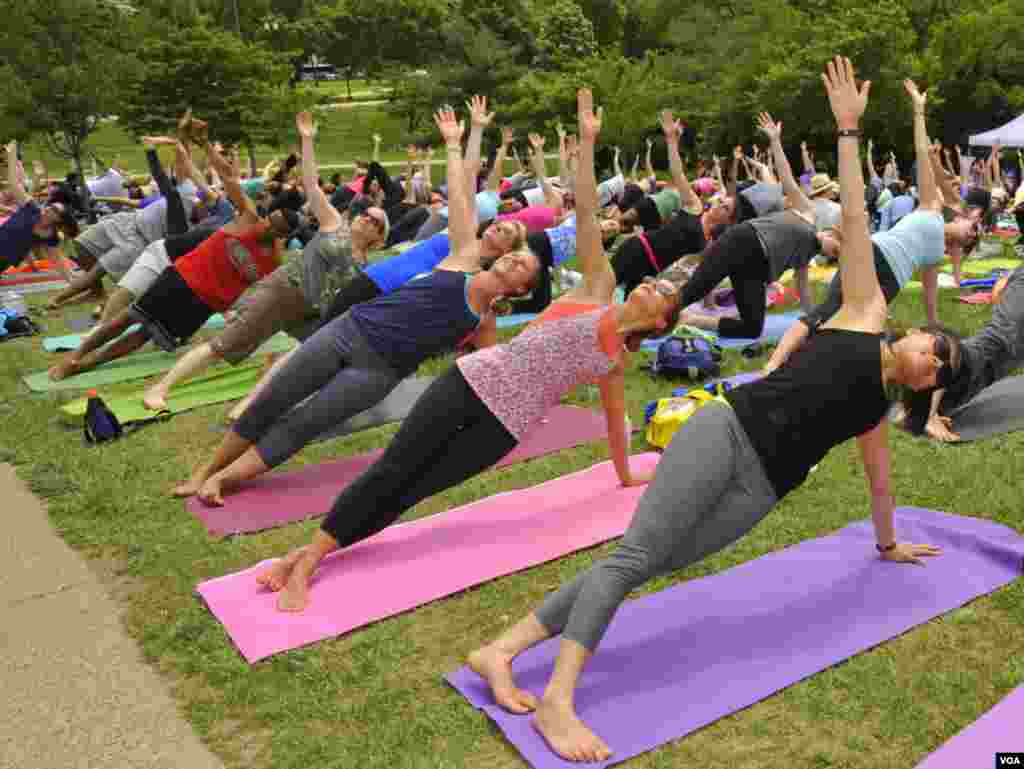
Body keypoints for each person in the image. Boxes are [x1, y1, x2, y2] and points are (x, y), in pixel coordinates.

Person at [465, 58, 952, 765]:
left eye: (939, 366)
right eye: (933, 344)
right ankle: (558, 703)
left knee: (644, 563)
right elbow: (850, 215)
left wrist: (887, 543)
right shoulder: (860, 311)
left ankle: (501, 648)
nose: (931, 357)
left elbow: (881, 486)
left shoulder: (874, 409)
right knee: (634, 557)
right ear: (907, 330)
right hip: (726, 431)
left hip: (760, 490)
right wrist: (848, 134)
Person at [244, 89, 681, 615]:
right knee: (392, 469)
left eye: (665, 295)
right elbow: (586, 210)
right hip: (471, 383)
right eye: (658, 282)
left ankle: (305, 555)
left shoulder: (616, 362)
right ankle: (308, 565)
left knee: (411, 491)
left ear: (660, 321)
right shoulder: (597, 289)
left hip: (505, 427)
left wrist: (627, 473)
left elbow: (618, 423)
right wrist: (587, 142)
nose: (655, 285)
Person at [171, 95, 542, 504]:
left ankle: (224, 479)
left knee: (305, 424)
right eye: (513, 253)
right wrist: (456, 143)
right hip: (351, 328)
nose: (511, 258)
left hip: (378, 372)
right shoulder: (464, 258)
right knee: (276, 397)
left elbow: (483, 377)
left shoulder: (484, 321)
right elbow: (460, 196)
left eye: (522, 262)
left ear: (522, 289)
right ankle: (205, 469)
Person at [140, 110, 389, 412]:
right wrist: (307, 141)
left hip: (311, 311)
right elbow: (310, 183)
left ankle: (249, 404)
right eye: (366, 215)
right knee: (225, 344)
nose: (368, 220)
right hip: (286, 290)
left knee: (295, 358)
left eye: (377, 222)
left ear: (380, 238)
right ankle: (160, 388)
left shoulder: (365, 265)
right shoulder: (334, 223)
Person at [764, 88, 979, 374]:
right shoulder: (931, 207)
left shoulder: (936, 256)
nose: (973, 234)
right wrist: (918, 111)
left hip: (889, 281)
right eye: (975, 228)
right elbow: (922, 155)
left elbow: (930, 302)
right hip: (873, 253)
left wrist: (935, 329)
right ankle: (774, 364)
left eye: (974, 240)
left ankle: (807, 366)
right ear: (963, 217)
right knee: (828, 311)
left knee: (849, 326)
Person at [47, 142, 298, 382]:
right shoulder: (248, 219)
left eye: (275, 227)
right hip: (180, 278)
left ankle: (85, 365)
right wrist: (205, 145)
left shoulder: (273, 259)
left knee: (144, 336)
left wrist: (234, 312)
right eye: (270, 219)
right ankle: (75, 357)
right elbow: (228, 177)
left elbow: (257, 290)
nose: (267, 225)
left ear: (282, 235)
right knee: (126, 319)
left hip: (202, 304)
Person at [673, 112, 820, 338]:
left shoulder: (805, 243)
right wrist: (774, 142)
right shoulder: (798, 207)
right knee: (698, 286)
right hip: (741, 239)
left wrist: (815, 321)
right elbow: (783, 173)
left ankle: (692, 318)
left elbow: (803, 289)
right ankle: (662, 308)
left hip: (752, 262)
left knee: (752, 327)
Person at [47, 137, 199, 310]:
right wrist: (180, 139)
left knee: (97, 270)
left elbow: (161, 176)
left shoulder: (183, 220)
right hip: (127, 221)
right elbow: (184, 163)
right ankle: (97, 293)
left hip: (137, 242)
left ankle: (57, 299)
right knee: (82, 244)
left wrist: (151, 150)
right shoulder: (189, 192)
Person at [611, 110, 734, 296]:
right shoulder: (695, 206)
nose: (719, 203)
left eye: (725, 207)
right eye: (722, 200)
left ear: (729, 219)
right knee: (600, 292)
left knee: (629, 313)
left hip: (651, 270)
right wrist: (671, 141)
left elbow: (694, 271)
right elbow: (677, 173)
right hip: (637, 249)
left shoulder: (708, 241)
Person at [899, 267, 1024, 441]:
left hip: (968, 381)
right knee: (995, 341)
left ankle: (923, 409)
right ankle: (926, 413)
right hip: (975, 362)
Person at [1, 142, 76, 278]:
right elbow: (13, 183)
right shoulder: (32, 208)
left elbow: (58, 261)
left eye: (53, 209)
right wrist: (12, 156)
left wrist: (72, 280)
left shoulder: (50, 235)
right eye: (51, 205)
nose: (48, 208)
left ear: (58, 219)